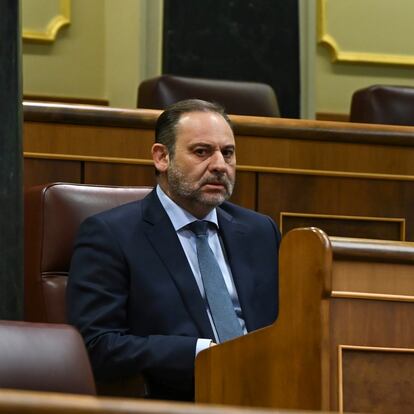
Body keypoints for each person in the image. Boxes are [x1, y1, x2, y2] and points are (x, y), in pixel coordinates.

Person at [67, 99, 280, 401]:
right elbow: (96, 345)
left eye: (228, 153)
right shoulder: (111, 235)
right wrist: (200, 353)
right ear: (161, 157)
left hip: (271, 396)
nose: (220, 165)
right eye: (202, 152)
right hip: (179, 400)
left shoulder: (261, 232)